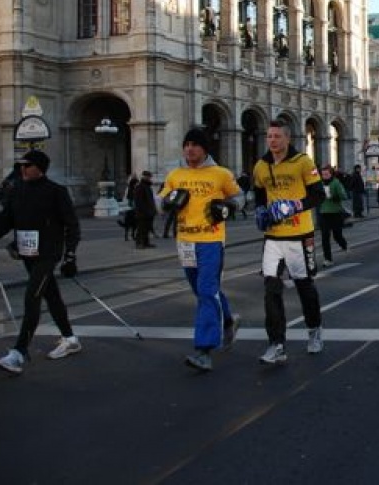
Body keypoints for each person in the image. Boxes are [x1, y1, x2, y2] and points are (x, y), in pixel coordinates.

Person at [158, 128, 243, 372]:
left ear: (205, 148)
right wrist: (166, 202)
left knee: (206, 290)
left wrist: (227, 206)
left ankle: (204, 350)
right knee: (203, 291)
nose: (189, 149)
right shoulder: (175, 175)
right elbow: (160, 202)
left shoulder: (221, 174)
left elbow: (240, 197)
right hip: (185, 241)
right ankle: (228, 320)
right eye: (186, 144)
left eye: (195, 145)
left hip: (211, 241)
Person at [0, 150, 82, 375]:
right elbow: (6, 221)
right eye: (21, 165)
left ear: (39, 167)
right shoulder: (17, 190)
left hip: (47, 254)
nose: (22, 169)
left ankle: (18, 353)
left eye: (27, 165)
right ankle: (70, 338)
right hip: (27, 254)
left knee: (33, 296)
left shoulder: (56, 192)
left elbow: (72, 225)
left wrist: (70, 255)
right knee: (51, 295)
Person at [252, 120, 326, 364]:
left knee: (305, 287)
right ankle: (277, 344)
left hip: (299, 235)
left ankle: (314, 330)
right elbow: (260, 193)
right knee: (271, 290)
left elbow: (318, 195)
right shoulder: (261, 166)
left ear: (287, 139)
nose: (272, 140)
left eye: (277, 136)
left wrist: (295, 206)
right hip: (272, 237)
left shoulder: (303, 162)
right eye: (269, 136)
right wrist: (261, 211)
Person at [316, 165, 349, 267]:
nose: (324, 176)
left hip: (335, 213)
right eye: (323, 174)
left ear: (331, 174)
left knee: (337, 235)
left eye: (326, 174)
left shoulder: (336, 183)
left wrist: (334, 196)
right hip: (324, 213)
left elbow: (344, 196)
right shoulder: (320, 184)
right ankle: (328, 259)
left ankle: (343, 244)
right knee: (325, 237)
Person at [133, 170, 158, 249]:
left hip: (149, 212)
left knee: (147, 228)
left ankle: (146, 243)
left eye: (150, 177)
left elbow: (150, 200)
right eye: (149, 177)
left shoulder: (147, 186)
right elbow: (139, 201)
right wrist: (145, 211)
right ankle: (139, 243)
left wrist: (153, 210)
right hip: (143, 213)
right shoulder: (140, 187)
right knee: (141, 228)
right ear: (144, 177)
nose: (150, 178)